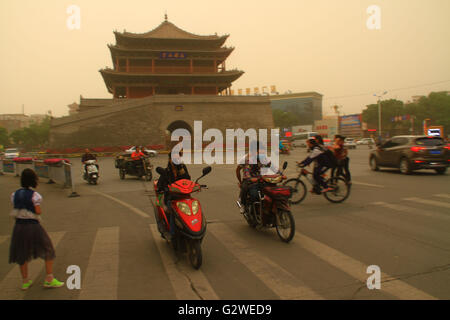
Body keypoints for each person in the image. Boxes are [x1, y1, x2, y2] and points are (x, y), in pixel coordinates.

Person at [9, 168, 64, 290]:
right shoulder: (35, 195)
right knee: (48, 249)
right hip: (33, 226)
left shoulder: (15, 194)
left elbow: (16, 207)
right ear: (34, 180)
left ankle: (25, 281)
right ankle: (49, 279)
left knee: (22, 253)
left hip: (19, 227)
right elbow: (38, 210)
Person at [156, 150, 191, 238]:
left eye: (178, 157)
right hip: (171, 197)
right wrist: (164, 189)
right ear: (170, 159)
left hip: (183, 195)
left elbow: (188, 179)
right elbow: (160, 184)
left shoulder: (182, 168)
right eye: (174, 158)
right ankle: (172, 234)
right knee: (173, 211)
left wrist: (180, 169)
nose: (176, 159)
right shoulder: (167, 171)